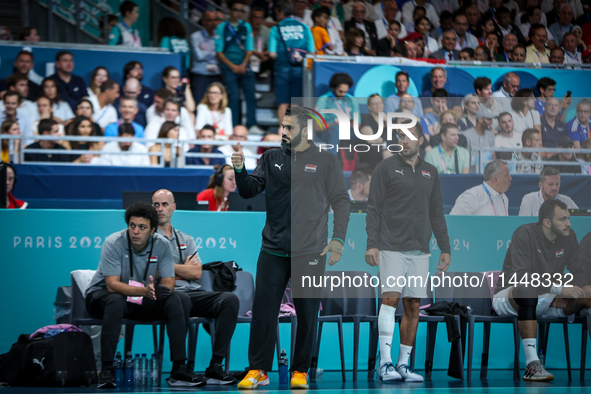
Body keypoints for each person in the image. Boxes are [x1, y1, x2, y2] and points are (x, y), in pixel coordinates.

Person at [234, 107, 350, 390]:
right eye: (282, 126)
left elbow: (342, 202)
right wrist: (239, 170)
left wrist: (338, 239)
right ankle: (258, 370)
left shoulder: (326, 161)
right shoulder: (270, 158)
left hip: (310, 252)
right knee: (264, 312)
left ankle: (300, 370)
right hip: (273, 250)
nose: (283, 132)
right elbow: (249, 190)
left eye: (289, 128)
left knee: (308, 313)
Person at [365, 120, 450, 382]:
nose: (404, 140)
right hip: (391, 247)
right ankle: (385, 364)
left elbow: (436, 212)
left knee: (413, 305)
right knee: (390, 300)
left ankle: (403, 365)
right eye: (400, 136)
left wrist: (444, 247)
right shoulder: (385, 167)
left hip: (420, 250)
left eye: (409, 136)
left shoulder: (430, 172)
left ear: (421, 141)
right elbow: (374, 208)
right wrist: (372, 243)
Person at [85, 202, 203, 388]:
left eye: (142, 227)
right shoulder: (114, 242)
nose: (136, 232)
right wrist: (144, 291)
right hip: (101, 297)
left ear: (153, 230)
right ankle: (107, 370)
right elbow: (112, 285)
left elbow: (168, 281)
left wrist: (164, 290)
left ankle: (179, 369)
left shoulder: (162, 244)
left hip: (138, 298)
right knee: (116, 301)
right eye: (132, 226)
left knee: (177, 299)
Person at [493, 199, 591, 381]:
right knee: (528, 287)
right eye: (563, 219)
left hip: (548, 298)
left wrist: (567, 292)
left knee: (589, 292)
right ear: (547, 222)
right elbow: (522, 277)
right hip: (510, 297)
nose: (568, 223)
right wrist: (559, 289)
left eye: (568, 218)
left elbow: (583, 272)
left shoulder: (569, 237)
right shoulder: (524, 234)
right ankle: (532, 365)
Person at [151, 190, 239, 383]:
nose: (160, 209)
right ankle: (178, 369)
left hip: (193, 292)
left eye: (165, 204)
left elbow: (197, 273)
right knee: (179, 299)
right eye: (156, 205)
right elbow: (152, 272)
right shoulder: (148, 238)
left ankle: (215, 366)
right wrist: (183, 268)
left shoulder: (186, 239)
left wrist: (167, 268)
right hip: (166, 294)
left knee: (229, 300)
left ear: (174, 207)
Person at [268, 1, 315, 123]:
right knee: (295, 103)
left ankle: (282, 132)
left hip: (281, 70)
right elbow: (312, 52)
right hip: (300, 70)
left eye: (277, 13)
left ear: (281, 13)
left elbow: (272, 54)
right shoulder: (304, 27)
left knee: (283, 102)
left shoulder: (276, 28)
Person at [215, 0, 258, 129]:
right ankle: (233, 126)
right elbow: (219, 52)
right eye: (235, 10)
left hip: (244, 66)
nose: (238, 13)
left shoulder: (246, 26)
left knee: (251, 96)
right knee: (233, 97)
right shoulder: (221, 27)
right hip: (228, 67)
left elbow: (249, 49)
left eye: (241, 10)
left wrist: (244, 64)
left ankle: (252, 125)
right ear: (229, 10)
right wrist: (233, 67)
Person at [314, 72, 360, 154]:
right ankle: (332, 163)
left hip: (348, 130)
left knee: (364, 131)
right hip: (328, 132)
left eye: (345, 92)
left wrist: (348, 125)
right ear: (333, 87)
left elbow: (358, 123)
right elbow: (317, 127)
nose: (343, 94)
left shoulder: (351, 99)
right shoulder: (324, 99)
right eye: (340, 91)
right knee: (335, 130)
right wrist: (335, 123)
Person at [190, 11, 222, 105]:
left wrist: (206, 52)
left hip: (216, 74)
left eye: (215, 20)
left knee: (217, 104)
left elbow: (221, 55)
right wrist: (215, 53)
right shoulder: (195, 36)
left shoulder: (219, 37)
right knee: (199, 103)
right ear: (203, 22)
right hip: (200, 75)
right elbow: (199, 56)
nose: (213, 23)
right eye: (210, 20)